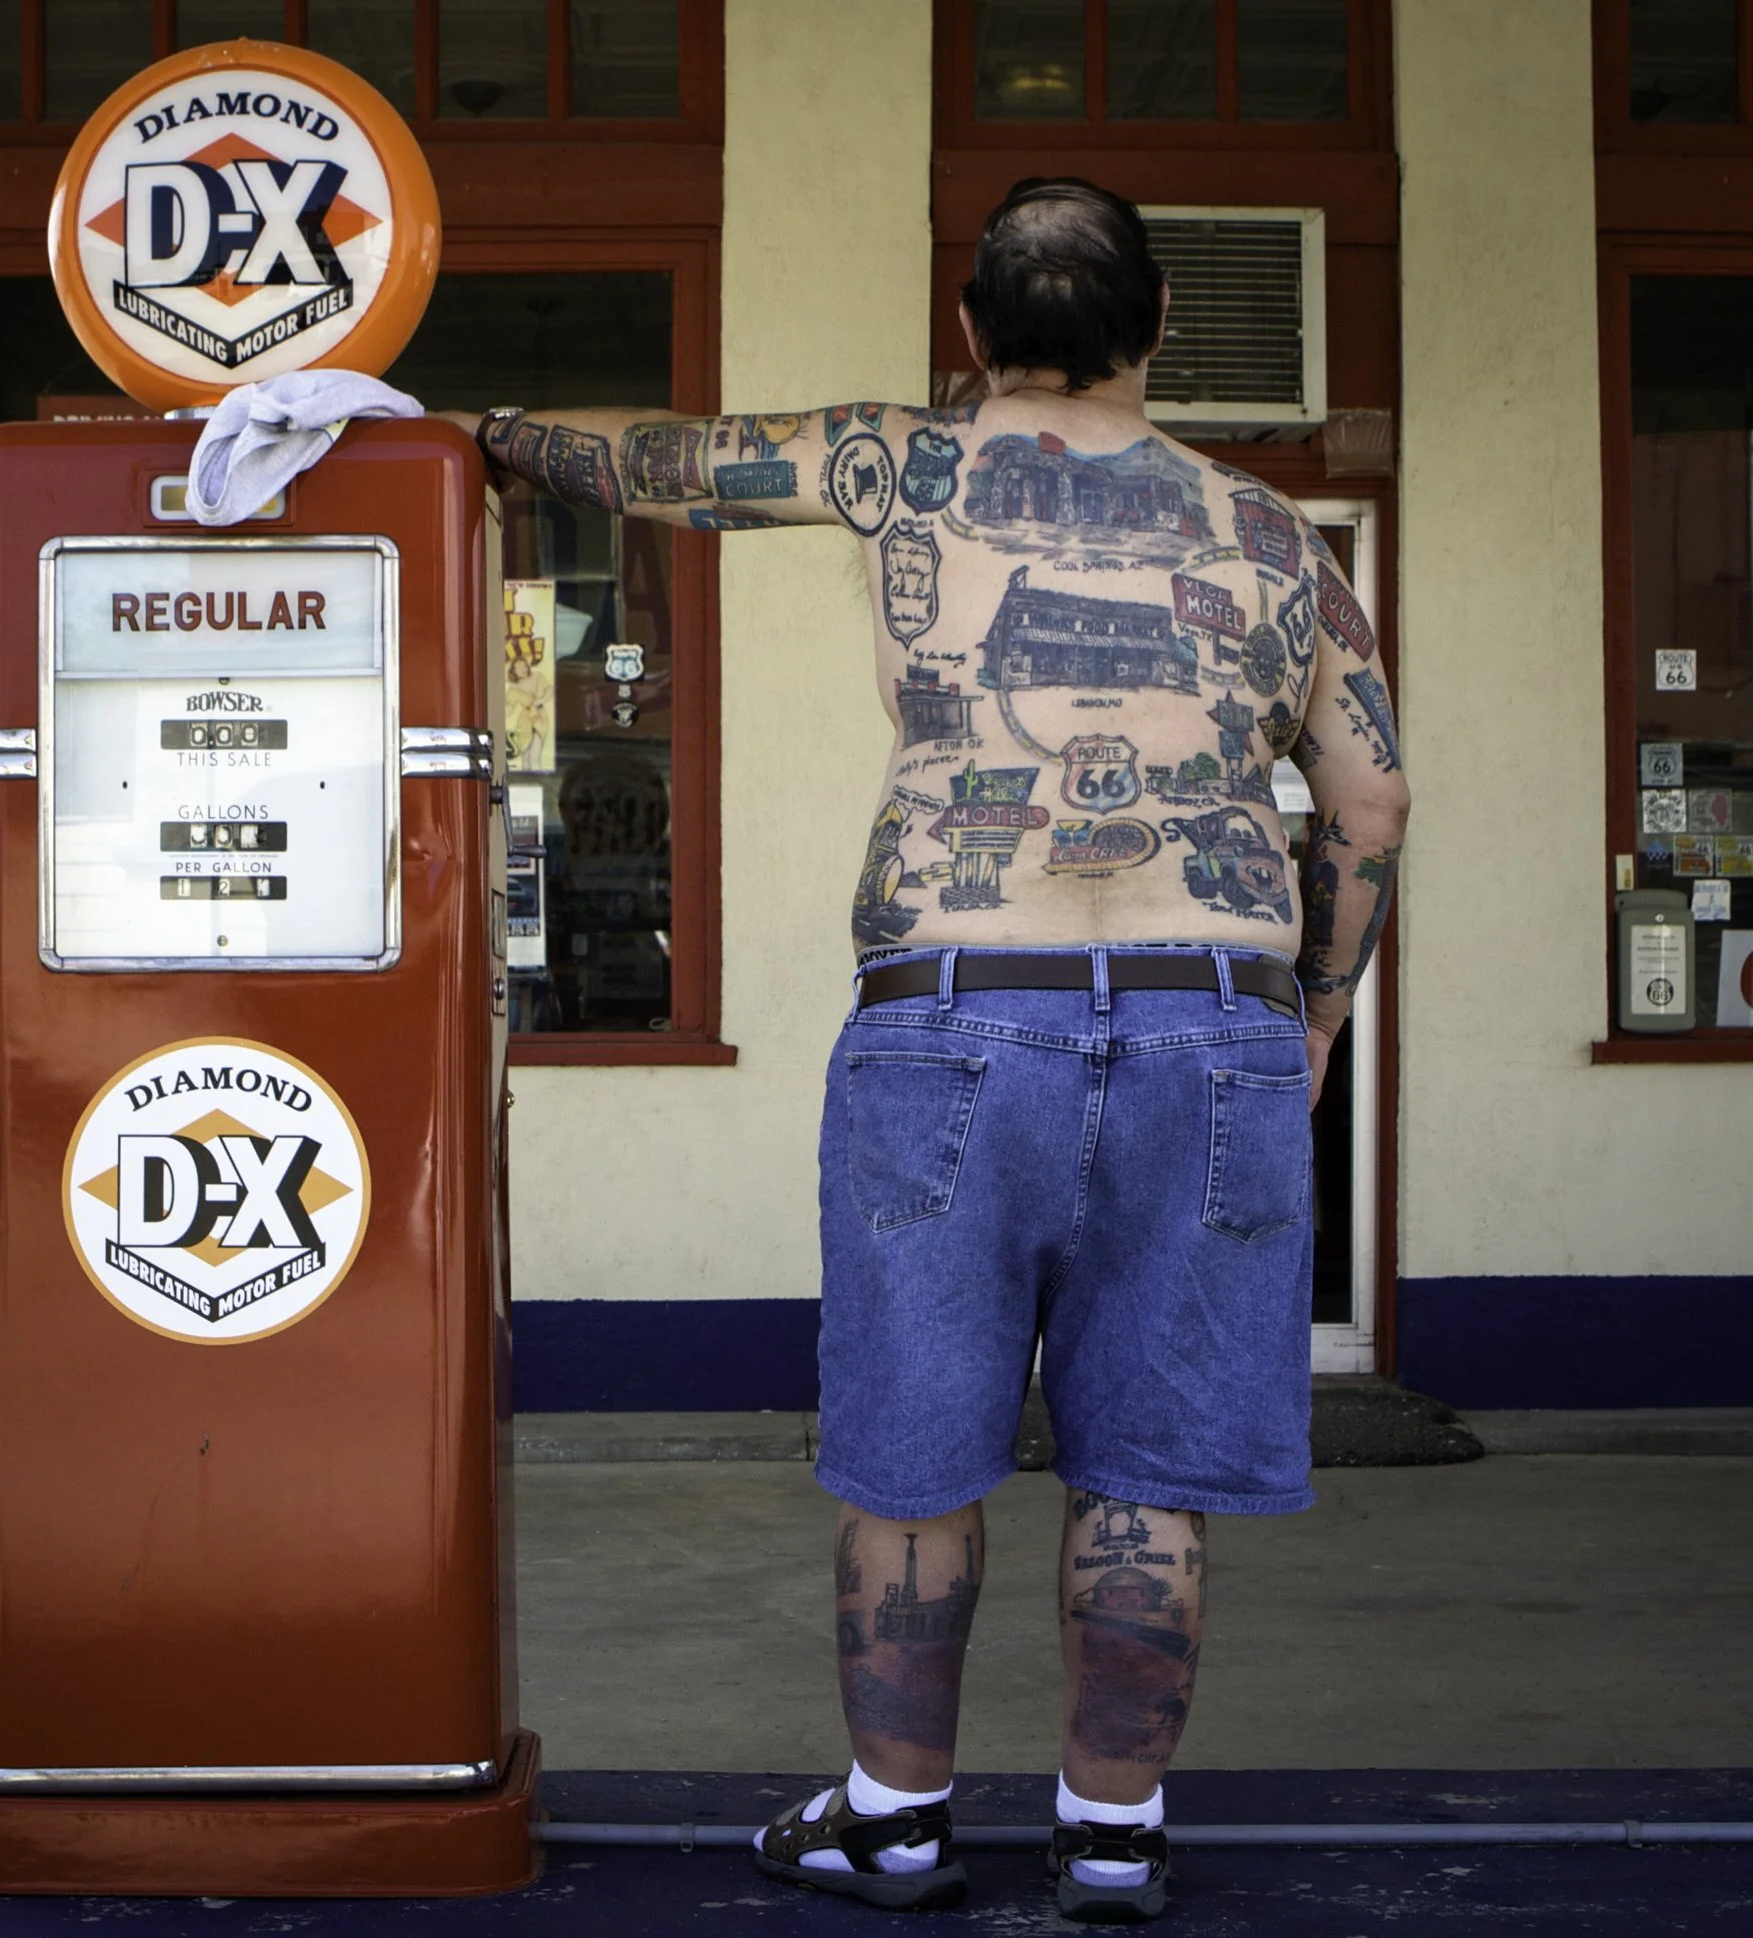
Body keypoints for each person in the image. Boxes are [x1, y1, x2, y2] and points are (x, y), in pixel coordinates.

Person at [438, 176, 1410, 1923]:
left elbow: (664, 461)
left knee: (916, 1447)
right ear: (1161, 330)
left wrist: (469, 428)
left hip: (956, 1009)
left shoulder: (903, 461)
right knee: (1146, 1469)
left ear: (970, 332)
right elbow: (1371, 798)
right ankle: (1112, 1832)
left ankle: (894, 1815)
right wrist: (1318, 1013)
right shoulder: (1279, 541)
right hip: (1214, 1022)